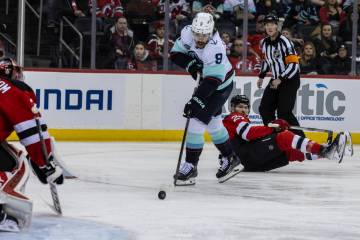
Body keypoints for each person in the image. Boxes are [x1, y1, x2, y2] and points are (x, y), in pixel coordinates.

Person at [170, 12, 242, 185]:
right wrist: (192, 65)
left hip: (220, 85)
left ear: (210, 32)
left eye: (204, 35)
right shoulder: (188, 32)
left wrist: (196, 102)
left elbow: (211, 82)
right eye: (197, 34)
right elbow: (175, 54)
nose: (200, 38)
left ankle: (190, 167)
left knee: (196, 121)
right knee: (214, 124)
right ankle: (230, 157)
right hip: (209, 81)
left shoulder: (216, 47)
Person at [0, 58, 64, 232]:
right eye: (16, 71)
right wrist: (45, 164)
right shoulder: (13, 90)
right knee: (16, 165)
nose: (20, 75)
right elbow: (31, 131)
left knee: (10, 153)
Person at [223, 95, 348, 172]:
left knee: (289, 151)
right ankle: (324, 150)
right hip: (248, 157)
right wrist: (274, 128)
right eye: (240, 107)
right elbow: (248, 133)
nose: (243, 110)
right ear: (232, 108)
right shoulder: (232, 117)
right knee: (284, 137)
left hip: (252, 163)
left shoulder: (240, 120)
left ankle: (329, 153)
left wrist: (273, 127)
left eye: (246, 107)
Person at [257, 14, 305, 137]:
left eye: (272, 24)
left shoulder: (285, 42)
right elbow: (267, 61)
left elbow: (294, 65)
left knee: (284, 112)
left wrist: (281, 79)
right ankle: (273, 136)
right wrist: (261, 76)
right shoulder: (264, 43)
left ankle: (302, 141)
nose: (269, 27)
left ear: (277, 26)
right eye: (267, 25)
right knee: (265, 109)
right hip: (275, 80)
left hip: (290, 80)